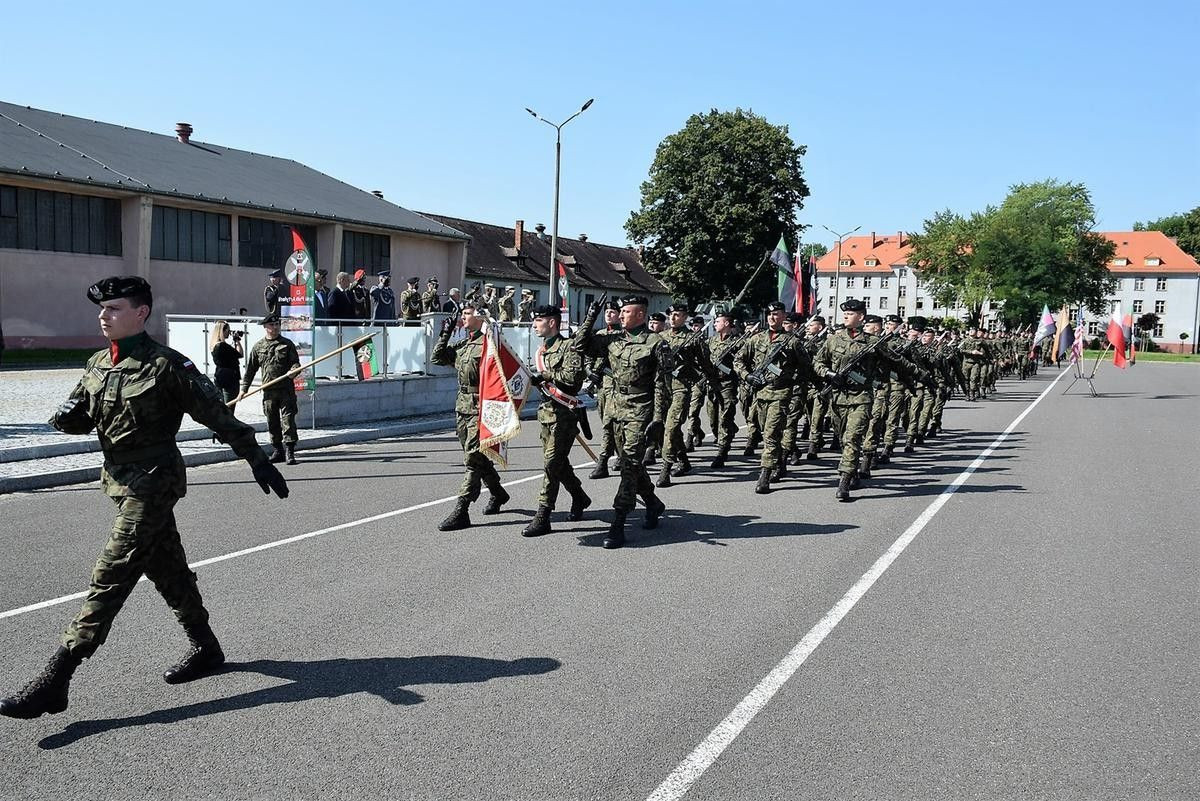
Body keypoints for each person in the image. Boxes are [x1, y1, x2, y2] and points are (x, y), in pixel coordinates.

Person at [0, 276, 288, 720]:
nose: (104, 316)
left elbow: (217, 415)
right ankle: (207, 648)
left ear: (141, 313)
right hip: (119, 480)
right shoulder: (98, 363)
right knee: (167, 567)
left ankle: (55, 679)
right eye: (102, 309)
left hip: (154, 482)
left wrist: (257, 458)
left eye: (114, 308)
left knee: (111, 572)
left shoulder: (168, 366)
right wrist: (67, 419)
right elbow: (81, 416)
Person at [573, 295, 668, 549]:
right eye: (621, 311)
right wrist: (590, 317)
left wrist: (658, 418)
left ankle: (618, 522)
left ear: (640, 315)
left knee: (628, 464)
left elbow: (661, 385)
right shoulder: (612, 339)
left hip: (640, 409)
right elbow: (579, 346)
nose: (621, 314)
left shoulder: (655, 343)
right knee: (633, 464)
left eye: (626, 311)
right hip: (615, 408)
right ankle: (653, 503)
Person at [813, 299, 911, 501]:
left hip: (861, 398)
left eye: (851, 313)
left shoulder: (873, 343)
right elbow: (818, 362)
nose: (846, 316)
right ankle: (853, 471)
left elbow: (897, 362)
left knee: (853, 438)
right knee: (842, 439)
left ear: (861, 317)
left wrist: (920, 376)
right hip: (838, 398)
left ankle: (844, 481)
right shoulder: (834, 340)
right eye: (845, 313)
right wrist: (830, 374)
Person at [430, 302, 511, 531]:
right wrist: (445, 332)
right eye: (462, 314)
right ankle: (498, 493)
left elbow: (500, 372)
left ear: (480, 317)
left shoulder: (489, 344)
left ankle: (462, 510)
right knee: (475, 456)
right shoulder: (465, 344)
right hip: (462, 407)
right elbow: (438, 358)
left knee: (473, 460)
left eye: (467, 313)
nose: (463, 317)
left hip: (480, 409)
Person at [522, 304, 592, 537]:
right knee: (559, 464)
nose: (534, 325)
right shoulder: (541, 350)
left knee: (552, 464)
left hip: (564, 415)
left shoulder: (569, 347)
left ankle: (543, 515)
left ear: (552, 322)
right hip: (546, 414)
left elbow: (572, 380)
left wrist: (544, 376)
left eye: (538, 321)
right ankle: (580, 497)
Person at [735, 301, 817, 493]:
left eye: (777, 314)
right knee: (767, 432)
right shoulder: (756, 339)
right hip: (760, 393)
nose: (773, 317)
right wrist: (747, 375)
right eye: (770, 314)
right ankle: (780, 462)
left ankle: (764, 476)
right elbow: (738, 360)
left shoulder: (793, 342)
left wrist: (791, 381)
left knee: (771, 435)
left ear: (783, 316)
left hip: (781, 393)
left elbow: (806, 367)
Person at [239, 314, 302, 465]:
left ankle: (290, 451)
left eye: (277, 324)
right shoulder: (258, 347)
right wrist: (243, 389)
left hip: (286, 390)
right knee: (272, 421)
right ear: (265, 327)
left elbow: (296, 364)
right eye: (272, 325)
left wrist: (294, 371)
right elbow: (250, 370)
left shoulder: (287, 344)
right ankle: (277, 450)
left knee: (288, 420)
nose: (275, 327)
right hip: (269, 391)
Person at [587, 301, 623, 479]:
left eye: (613, 312)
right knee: (607, 424)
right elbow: (588, 356)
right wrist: (589, 372)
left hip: (616, 387)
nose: (609, 314)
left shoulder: (623, 335)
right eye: (607, 312)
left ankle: (604, 462)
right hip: (602, 387)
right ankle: (621, 455)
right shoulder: (600, 334)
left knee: (610, 425)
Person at [706, 310, 743, 468]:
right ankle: (728, 430)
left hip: (727, 383)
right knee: (713, 419)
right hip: (712, 383)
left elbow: (743, 362)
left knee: (724, 417)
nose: (715, 324)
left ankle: (722, 451)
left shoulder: (737, 342)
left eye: (717, 322)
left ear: (727, 323)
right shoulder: (711, 341)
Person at [209, 321, 244, 412]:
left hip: (219, 377)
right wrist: (237, 340)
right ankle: (228, 425)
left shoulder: (214, 345)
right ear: (222, 331)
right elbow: (240, 354)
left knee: (221, 406)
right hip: (230, 378)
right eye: (228, 330)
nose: (229, 333)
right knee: (229, 408)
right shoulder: (222, 346)